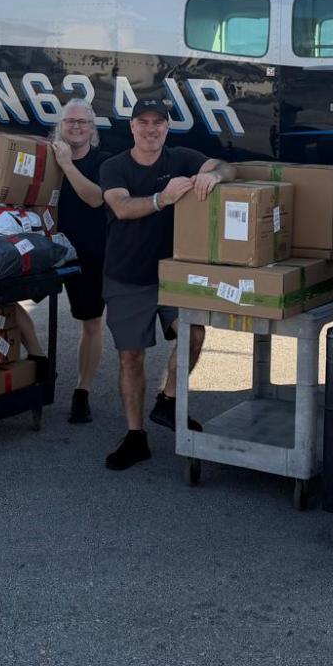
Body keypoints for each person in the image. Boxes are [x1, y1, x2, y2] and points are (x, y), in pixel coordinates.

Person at [97, 97, 233, 471]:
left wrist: (214, 176)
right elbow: (122, 207)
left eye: (158, 122)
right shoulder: (114, 166)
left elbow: (227, 165)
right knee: (131, 357)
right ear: (132, 126)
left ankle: (168, 401)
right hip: (127, 275)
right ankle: (135, 436)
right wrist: (163, 199)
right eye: (143, 122)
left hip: (173, 275)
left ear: (167, 127)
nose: (151, 129)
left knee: (194, 334)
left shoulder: (181, 158)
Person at [49, 99, 109, 424]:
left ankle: (81, 391)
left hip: (90, 251)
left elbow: (96, 198)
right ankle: (39, 364)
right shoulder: (48, 154)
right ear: (60, 125)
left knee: (91, 322)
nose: (75, 126)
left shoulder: (103, 161)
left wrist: (67, 165)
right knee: (7, 302)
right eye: (69, 121)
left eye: (82, 122)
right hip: (48, 250)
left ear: (91, 129)